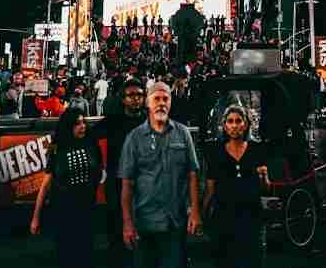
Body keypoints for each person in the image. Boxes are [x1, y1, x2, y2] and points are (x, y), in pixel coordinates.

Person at [119, 80, 200, 268]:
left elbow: (192, 175)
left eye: (165, 99)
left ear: (171, 103)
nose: (161, 103)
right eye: (156, 99)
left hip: (175, 223)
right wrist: (127, 223)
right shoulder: (134, 138)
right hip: (144, 224)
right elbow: (127, 184)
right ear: (148, 103)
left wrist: (195, 211)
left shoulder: (183, 134)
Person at [32, 108, 102, 268]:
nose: (82, 126)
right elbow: (46, 183)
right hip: (63, 211)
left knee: (86, 253)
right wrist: (36, 216)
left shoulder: (91, 143)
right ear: (68, 126)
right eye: (77, 123)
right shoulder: (56, 147)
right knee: (65, 255)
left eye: (84, 122)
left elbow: (98, 172)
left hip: (87, 210)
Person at [202, 105, 268, 268]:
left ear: (246, 124)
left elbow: (265, 188)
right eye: (230, 121)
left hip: (251, 217)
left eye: (238, 121)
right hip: (223, 218)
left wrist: (264, 176)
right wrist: (202, 215)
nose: (234, 125)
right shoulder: (216, 152)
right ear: (224, 125)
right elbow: (210, 190)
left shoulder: (256, 150)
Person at [100, 78, 147, 268]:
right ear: (123, 99)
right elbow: (86, 134)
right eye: (131, 95)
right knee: (117, 233)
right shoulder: (113, 121)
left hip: (145, 186)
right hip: (117, 185)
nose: (136, 99)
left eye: (139, 95)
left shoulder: (150, 120)